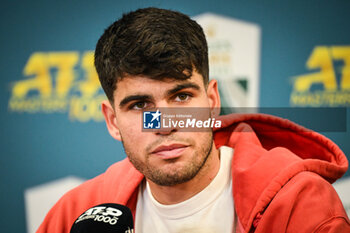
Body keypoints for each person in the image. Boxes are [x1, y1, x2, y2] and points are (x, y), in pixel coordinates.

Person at [37, 7, 350, 233]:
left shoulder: (301, 206)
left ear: (212, 103)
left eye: (182, 97)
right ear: (112, 121)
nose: (164, 124)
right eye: (140, 105)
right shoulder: (77, 213)